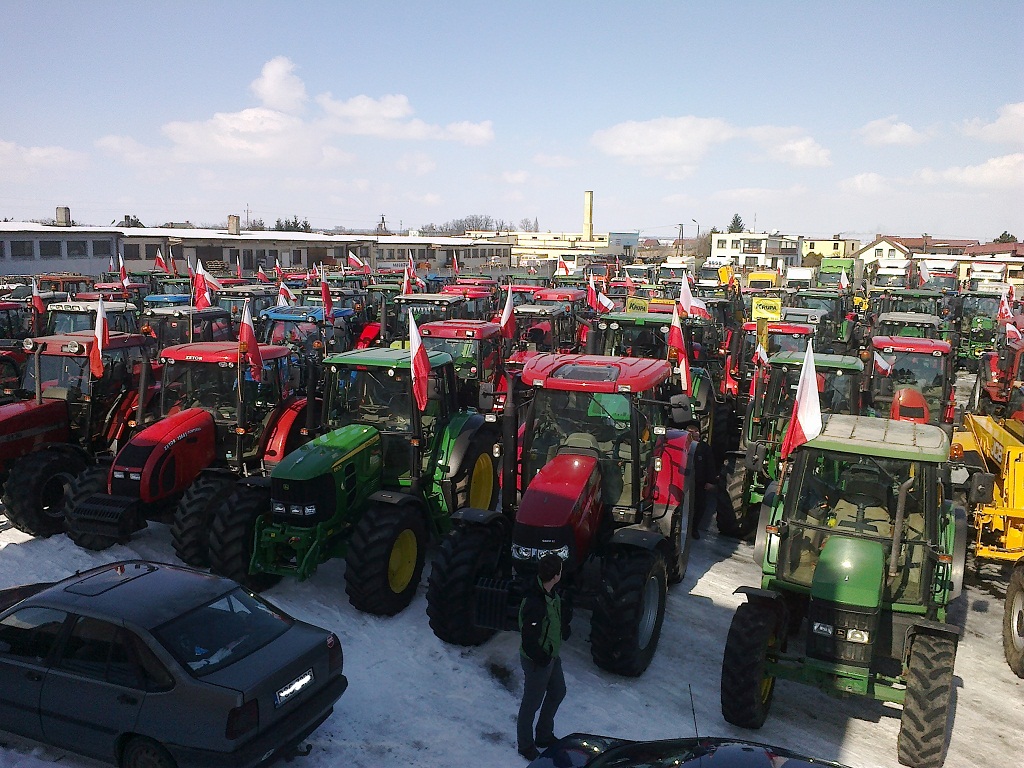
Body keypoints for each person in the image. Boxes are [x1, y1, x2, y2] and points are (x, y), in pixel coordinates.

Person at [517, 553, 571, 761]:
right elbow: (529, 641)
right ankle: (525, 745)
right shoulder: (535, 602)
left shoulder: (550, 593)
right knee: (531, 704)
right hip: (537, 661)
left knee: (558, 691)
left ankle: (543, 735)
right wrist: (543, 659)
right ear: (556, 576)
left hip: (550, 656)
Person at [685, 420, 716, 539]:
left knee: (700, 506)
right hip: (684, 481)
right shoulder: (684, 446)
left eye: (696, 432)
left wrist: (710, 481)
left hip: (699, 482)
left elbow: (710, 465)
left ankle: (694, 528)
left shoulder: (704, 448)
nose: (695, 434)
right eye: (691, 432)